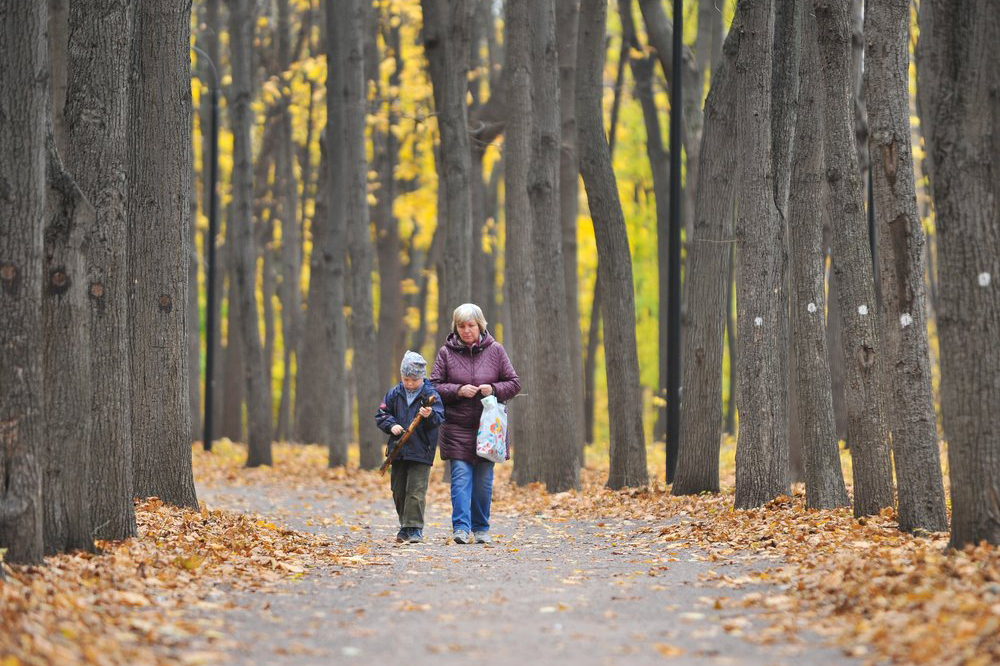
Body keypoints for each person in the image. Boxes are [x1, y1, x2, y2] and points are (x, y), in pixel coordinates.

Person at [431, 303, 521, 544]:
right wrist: (458, 391)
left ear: (480, 325)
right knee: (460, 478)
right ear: (455, 328)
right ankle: (460, 528)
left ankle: (481, 528)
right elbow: (434, 387)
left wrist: (493, 388)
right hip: (456, 427)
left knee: (483, 482)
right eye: (461, 326)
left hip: (488, 429)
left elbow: (514, 383)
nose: (466, 330)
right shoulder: (445, 353)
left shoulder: (496, 351)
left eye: (470, 325)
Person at [375, 350, 445, 544]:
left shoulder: (431, 395)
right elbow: (381, 415)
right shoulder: (394, 393)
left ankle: (414, 528)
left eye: (414, 380)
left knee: (415, 491)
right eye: (406, 379)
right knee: (398, 490)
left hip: (421, 451)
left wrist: (429, 414)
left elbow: (439, 418)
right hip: (398, 450)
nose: (410, 383)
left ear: (422, 378)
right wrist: (392, 425)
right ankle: (404, 525)